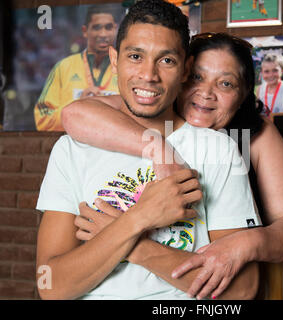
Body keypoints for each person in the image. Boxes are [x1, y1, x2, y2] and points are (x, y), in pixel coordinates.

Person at [36, 0, 262, 300]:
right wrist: (139, 218)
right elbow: (51, 287)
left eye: (166, 60)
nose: (148, 75)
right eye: (135, 56)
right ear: (114, 60)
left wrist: (137, 245)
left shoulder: (216, 150)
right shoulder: (70, 149)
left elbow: (242, 291)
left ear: (185, 69)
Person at [62, 32, 283, 299]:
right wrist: (160, 149)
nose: (206, 93)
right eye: (197, 77)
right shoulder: (154, 112)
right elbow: (74, 114)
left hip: (223, 284)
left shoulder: (257, 134)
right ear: (180, 76)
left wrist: (245, 242)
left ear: (242, 96)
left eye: (225, 84)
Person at [33, 4, 119, 131]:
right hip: (74, 148)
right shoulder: (64, 67)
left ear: (115, 29)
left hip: (115, 146)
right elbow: (42, 118)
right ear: (85, 31)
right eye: (96, 27)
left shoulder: (127, 67)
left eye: (108, 27)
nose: (103, 34)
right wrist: (77, 107)